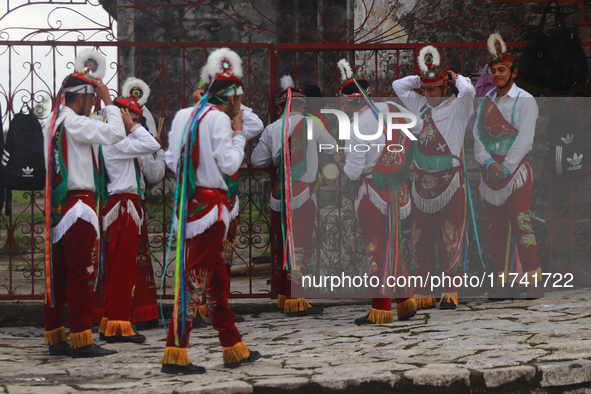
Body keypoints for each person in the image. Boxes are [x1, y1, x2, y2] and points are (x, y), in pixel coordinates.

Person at [162, 47, 260, 374]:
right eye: (239, 99)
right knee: (195, 280)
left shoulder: (182, 115)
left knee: (216, 280)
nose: (240, 104)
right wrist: (239, 133)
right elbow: (230, 163)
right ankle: (175, 351)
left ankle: (233, 345)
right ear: (230, 99)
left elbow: (172, 162)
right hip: (212, 211)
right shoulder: (219, 119)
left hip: (189, 206)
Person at [43, 49, 126, 357]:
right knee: (81, 274)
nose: (91, 107)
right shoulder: (75, 124)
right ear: (81, 99)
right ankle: (81, 335)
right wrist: (108, 99)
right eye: (89, 101)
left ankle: (56, 333)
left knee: (60, 275)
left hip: (58, 208)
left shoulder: (51, 124)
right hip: (78, 209)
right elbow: (116, 132)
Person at [333, 59, 421, 324]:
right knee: (394, 244)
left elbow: (352, 171)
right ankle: (405, 301)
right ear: (368, 94)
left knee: (377, 248)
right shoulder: (392, 108)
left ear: (348, 103)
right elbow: (416, 128)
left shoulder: (356, 126)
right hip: (398, 189)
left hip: (372, 194)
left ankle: (381, 308)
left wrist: (338, 161)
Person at [392, 45, 476, 310]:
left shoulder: (459, 107)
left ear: (444, 89)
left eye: (432, 90)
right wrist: (423, 76)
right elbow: (398, 86)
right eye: (425, 90)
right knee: (420, 237)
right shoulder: (420, 104)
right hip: (420, 181)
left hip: (449, 180)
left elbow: (469, 90)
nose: (427, 95)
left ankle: (450, 290)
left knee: (450, 236)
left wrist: (451, 76)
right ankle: (423, 291)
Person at [252, 75, 337, 316]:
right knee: (300, 244)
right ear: (302, 105)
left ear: (280, 107)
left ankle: (282, 294)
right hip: (303, 192)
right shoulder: (313, 124)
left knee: (282, 244)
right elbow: (331, 148)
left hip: (280, 194)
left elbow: (256, 160)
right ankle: (296, 299)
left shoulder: (271, 129)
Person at [473, 34, 542, 300]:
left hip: (516, 174)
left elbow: (525, 138)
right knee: (496, 229)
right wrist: (489, 162)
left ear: (513, 72)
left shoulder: (526, 101)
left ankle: (534, 282)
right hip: (490, 171)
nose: (497, 74)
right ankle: (502, 284)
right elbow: (477, 136)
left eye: (502, 70)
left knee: (522, 223)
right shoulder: (485, 102)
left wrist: (507, 165)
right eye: (493, 70)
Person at [191, 85, 264, 325]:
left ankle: (217, 305)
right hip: (205, 198)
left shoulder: (232, 127)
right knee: (201, 253)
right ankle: (197, 307)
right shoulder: (199, 121)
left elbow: (256, 125)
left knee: (225, 254)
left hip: (228, 197)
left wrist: (237, 104)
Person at [94, 94, 161, 343]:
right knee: (123, 268)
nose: (137, 124)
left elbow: (148, 143)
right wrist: (132, 127)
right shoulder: (116, 141)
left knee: (116, 267)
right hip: (123, 206)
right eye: (133, 119)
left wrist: (131, 126)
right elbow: (152, 145)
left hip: (120, 206)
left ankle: (110, 321)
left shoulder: (114, 140)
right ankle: (120, 324)